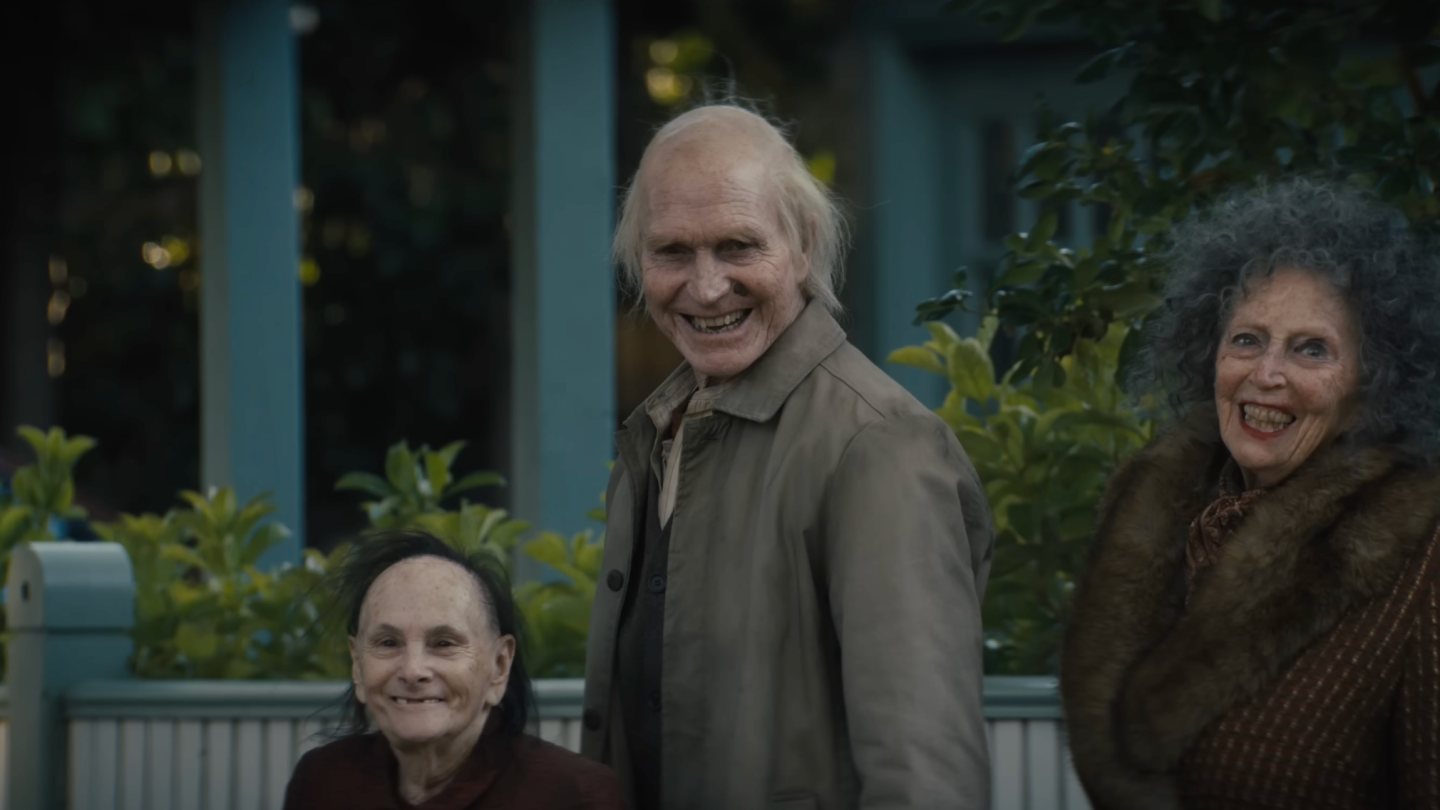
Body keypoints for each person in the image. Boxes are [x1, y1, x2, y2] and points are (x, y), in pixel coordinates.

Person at [580, 103, 994, 810]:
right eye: (672, 252)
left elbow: (925, 777)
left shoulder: (879, 446)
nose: (706, 287)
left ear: (802, 245)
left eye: (738, 246)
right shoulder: (660, 429)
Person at [1061, 179, 1440, 809]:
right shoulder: (1151, 511)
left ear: (1376, 385)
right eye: (1246, 339)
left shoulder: (1424, 557)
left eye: (1312, 350)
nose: (1266, 375)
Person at [283, 529, 624, 809]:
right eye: (388, 643)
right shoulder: (322, 783)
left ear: (499, 666)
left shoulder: (576, 795)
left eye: (444, 643)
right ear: (357, 665)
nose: (413, 670)